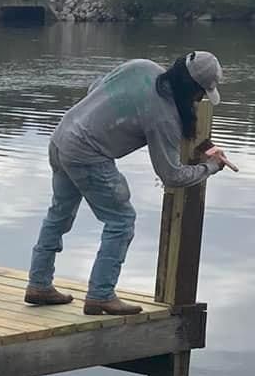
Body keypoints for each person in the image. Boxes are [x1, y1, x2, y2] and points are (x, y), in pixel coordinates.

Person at [25, 50, 231, 315]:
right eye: (200, 94)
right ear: (191, 88)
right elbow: (171, 176)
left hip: (62, 136)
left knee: (59, 213)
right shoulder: (164, 116)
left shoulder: (142, 67)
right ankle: (101, 295)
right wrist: (210, 167)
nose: (199, 100)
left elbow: (96, 87)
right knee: (121, 221)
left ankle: (39, 284)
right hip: (87, 153)